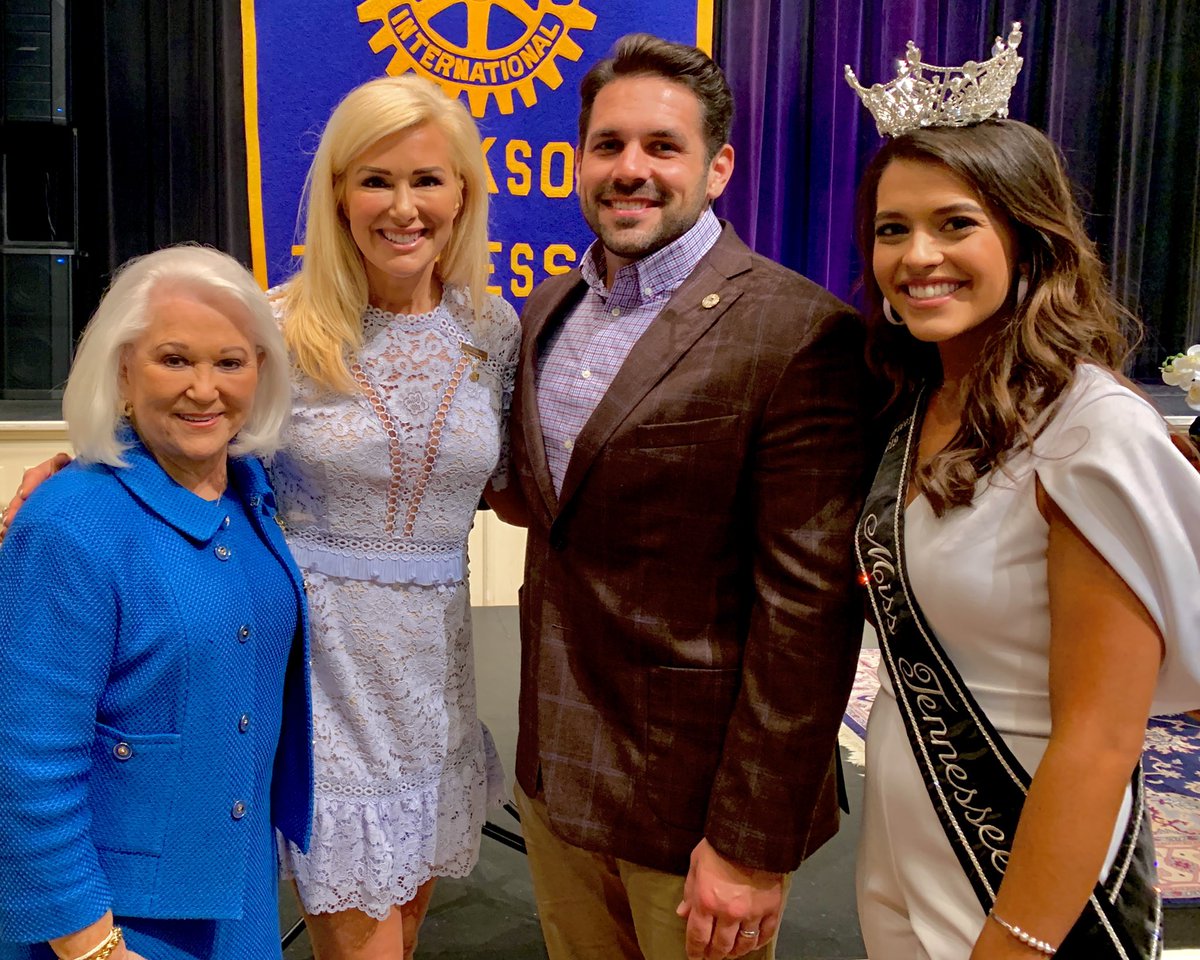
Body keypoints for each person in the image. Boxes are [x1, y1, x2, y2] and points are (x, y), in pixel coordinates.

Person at [1, 75, 521, 960]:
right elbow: (176, 417)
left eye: (427, 179)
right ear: (335, 194)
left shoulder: (493, 332)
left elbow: (509, 484)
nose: (403, 206)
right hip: (323, 674)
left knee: (407, 924)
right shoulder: (278, 324)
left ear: (465, 192)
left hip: (436, 679)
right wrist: (69, 470)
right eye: (375, 179)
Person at [495, 33, 873, 960]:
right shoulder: (550, 310)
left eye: (662, 147)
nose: (630, 170)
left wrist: (749, 847)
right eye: (608, 145)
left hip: (694, 810)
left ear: (718, 168)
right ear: (578, 160)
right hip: (554, 781)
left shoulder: (798, 333)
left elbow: (808, 618)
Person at [847, 34, 1200, 959]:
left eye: (955, 223)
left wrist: (1016, 942)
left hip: (1027, 876)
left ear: (1028, 237)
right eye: (892, 229)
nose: (917, 256)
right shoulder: (915, 402)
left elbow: (1099, 736)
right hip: (905, 846)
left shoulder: (1092, 433)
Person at [0, 245, 312, 960]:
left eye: (230, 362)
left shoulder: (249, 491)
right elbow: (26, 763)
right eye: (175, 360)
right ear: (121, 368)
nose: (204, 389)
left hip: (237, 900)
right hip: (115, 923)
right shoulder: (67, 525)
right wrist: (92, 946)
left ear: (260, 370)